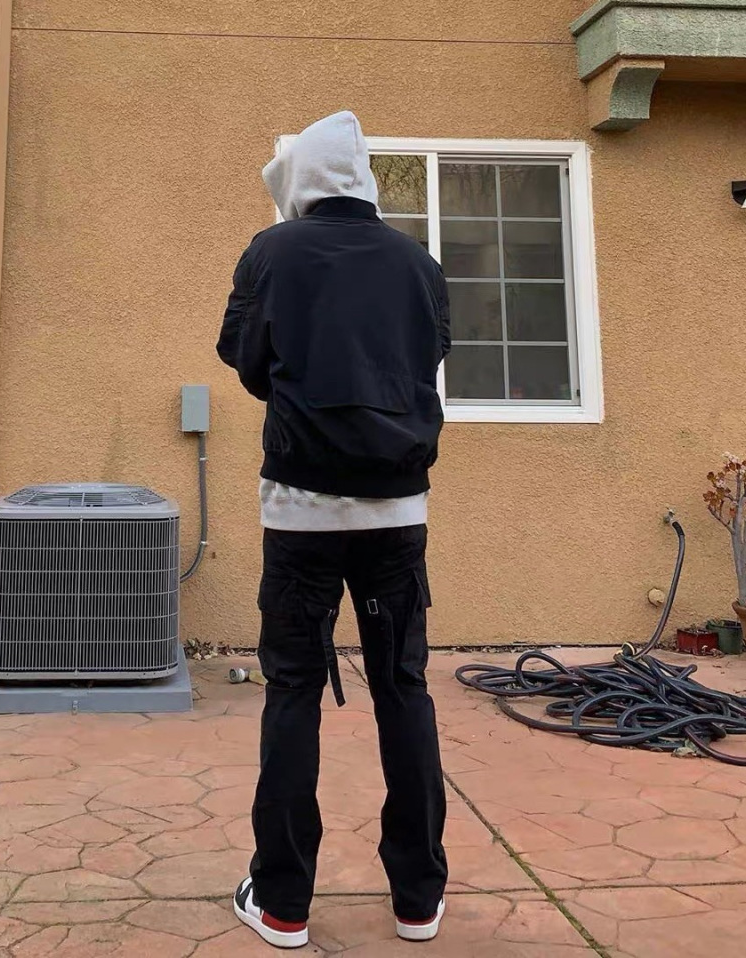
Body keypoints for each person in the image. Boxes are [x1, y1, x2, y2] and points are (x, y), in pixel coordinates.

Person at [217, 110, 451, 950]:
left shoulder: (271, 252)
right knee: (404, 688)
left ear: (302, 179)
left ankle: (283, 903)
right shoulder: (419, 263)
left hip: (302, 512)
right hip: (397, 512)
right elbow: (429, 355)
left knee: (292, 691)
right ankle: (418, 900)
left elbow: (242, 358)